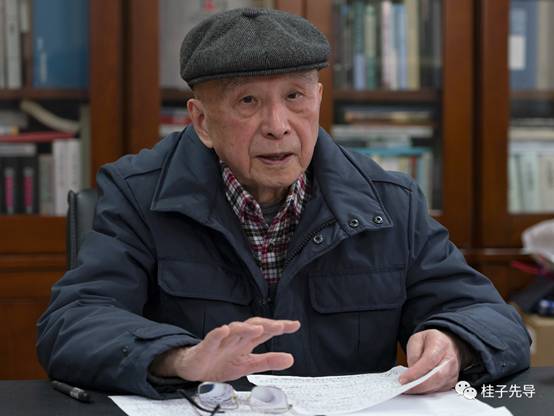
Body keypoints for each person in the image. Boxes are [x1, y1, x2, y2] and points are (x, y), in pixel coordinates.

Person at [37, 8, 530, 399]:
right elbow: (73, 324)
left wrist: (454, 341)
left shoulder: (388, 202)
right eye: (248, 102)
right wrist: (180, 359)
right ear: (202, 122)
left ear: (318, 99)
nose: (278, 126)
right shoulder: (138, 194)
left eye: (295, 97)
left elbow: (490, 317)